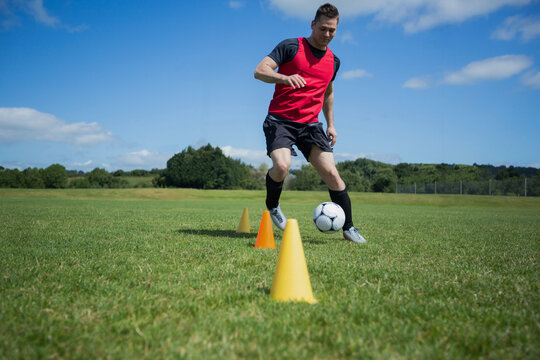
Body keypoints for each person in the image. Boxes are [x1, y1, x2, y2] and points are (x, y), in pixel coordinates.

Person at [254, 3, 366, 244]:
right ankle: (273, 206)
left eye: (332, 30)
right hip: (280, 120)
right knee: (282, 166)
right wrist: (284, 77)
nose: (327, 35)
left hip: (311, 125)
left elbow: (328, 92)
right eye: (323, 28)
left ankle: (349, 228)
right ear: (313, 24)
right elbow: (260, 70)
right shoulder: (290, 46)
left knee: (332, 174)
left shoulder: (333, 61)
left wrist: (331, 124)